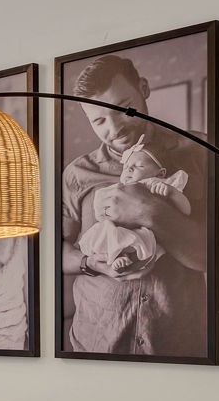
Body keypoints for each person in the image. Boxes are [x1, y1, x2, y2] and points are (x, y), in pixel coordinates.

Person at [59, 55, 208, 358]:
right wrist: (93, 264)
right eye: (99, 121)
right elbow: (51, 254)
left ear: (143, 87)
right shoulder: (77, 173)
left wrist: (147, 210)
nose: (114, 128)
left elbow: (211, 257)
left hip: (177, 346)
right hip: (95, 341)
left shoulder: (199, 153)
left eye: (122, 108)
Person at [76, 139, 192, 274]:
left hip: (146, 230)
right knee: (104, 231)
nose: (129, 169)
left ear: (160, 173)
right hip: (120, 227)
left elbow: (186, 211)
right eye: (126, 167)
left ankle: (128, 259)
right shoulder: (120, 188)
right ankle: (115, 257)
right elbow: (102, 209)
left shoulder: (160, 185)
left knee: (144, 241)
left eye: (139, 166)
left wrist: (172, 193)